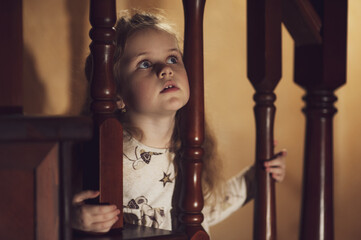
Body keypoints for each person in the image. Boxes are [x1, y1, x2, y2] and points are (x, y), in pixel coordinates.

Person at [72, 10, 286, 234]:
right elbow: (51, 204)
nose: (165, 70)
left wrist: (259, 175)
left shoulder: (188, 147)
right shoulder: (108, 151)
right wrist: (73, 217)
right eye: (144, 64)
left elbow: (211, 207)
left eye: (173, 59)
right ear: (116, 94)